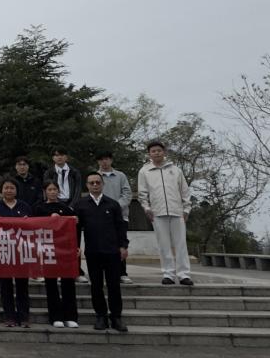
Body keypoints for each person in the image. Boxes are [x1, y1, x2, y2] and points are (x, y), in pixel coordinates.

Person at [76, 172, 129, 332]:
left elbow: (120, 227)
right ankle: (101, 316)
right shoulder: (81, 205)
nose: (95, 185)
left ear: (102, 184)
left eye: (97, 182)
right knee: (96, 286)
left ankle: (116, 317)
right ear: (87, 185)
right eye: (91, 183)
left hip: (112, 252)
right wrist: (76, 246)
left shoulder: (112, 204)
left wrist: (123, 246)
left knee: (114, 286)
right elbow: (76, 229)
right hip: (93, 252)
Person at [137, 141, 193, 286]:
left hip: (177, 212)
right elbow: (142, 193)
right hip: (157, 213)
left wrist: (186, 209)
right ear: (149, 154)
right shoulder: (144, 171)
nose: (156, 153)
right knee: (164, 245)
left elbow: (185, 191)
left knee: (181, 244)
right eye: (153, 151)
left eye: (159, 150)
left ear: (164, 152)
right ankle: (168, 274)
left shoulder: (176, 170)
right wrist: (146, 208)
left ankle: (184, 274)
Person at [33, 181, 79, 328]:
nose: (52, 192)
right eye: (49, 189)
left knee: (68, 282)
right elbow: (33, 227)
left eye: (55, 189)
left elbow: (75, 229)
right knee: (51, 283)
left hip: (65, 250)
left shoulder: (66, 208)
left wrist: (77, 246)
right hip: (47, 249)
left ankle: (70, 316)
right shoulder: (39, 208)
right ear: (45, 192)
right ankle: (55, 316)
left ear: (58, 191)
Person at [0, 177, 32, 327]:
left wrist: (27, 221)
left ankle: (24, 317)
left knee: (22, 286)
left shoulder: (24, 206)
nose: (9, 190)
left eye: (12, 188)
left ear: (16, 190)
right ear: (1, 190)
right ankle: (9, 316)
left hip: (21, 251)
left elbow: (33, 228)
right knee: (5, 286)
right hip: (3, 251)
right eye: (6, 187)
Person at [44, 148, 87, 283]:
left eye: (62, 155)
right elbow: (47, 189)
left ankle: (76, 271)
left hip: (72, 206)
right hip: (55, 206)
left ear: (66, 157)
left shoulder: (74, 172)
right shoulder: (49, 172)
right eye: (56, 155)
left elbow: (78, 190)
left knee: (74, 241)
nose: (59, 157)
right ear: (53, 158)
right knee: (56, 241)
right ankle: (57, 270)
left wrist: (71, 207)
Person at [97, 151, 134, 284]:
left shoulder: (120, 175)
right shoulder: (96, 177)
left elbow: (127, 194)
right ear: (98, 162)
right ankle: (104, 272)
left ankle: (122, 273)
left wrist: (115, 207)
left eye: (106, 159)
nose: (104, 162)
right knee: (102, 245)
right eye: (101, 159)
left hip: (120, 216)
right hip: (100, 217)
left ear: (111, 160)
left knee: (121, 244)